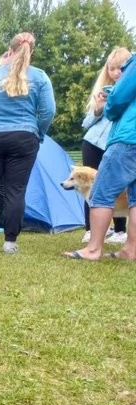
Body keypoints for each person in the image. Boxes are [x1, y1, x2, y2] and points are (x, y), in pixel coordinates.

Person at [0, 32, 55, 254]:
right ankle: (10, 242)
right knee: (16, 190)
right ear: (30, 52)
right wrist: (39, 133)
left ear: (10, 50)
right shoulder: (41, 77)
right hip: (25, 137)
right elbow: (48, 112)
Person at [64, 50, 136, 261]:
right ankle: (131, 250)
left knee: (101, 191)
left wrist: (108, 103)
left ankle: (93, 249)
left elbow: (117, 102)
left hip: (128, 137)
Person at [78, 47, 132, 245]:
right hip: (93, 143)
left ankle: (119, 230)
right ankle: (90, 228)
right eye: (111, 69)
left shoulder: (129, 93)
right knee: (91, 186)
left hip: (117, 143)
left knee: (117, 185)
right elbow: (85, 123)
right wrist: (99, 109)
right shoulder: (102, 91)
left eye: (120, 68)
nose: (116, 73)